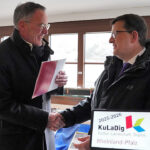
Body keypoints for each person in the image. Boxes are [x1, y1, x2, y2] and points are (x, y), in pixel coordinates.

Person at [50, 14, 150, 150]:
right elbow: (94, 102)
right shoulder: (112, 67)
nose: (110, 40)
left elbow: (144, 126)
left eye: (115, 34)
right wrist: (64, 117)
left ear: (134, 36)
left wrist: (100, 141)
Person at [0, 2, 67, 150]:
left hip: (46, 135)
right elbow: (3, 106)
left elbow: (39, 91)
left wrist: (58, 84)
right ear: (22, 25)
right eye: (41, 26)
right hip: (17, 141)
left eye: (47, 26)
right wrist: (44, 119)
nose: (45, 32)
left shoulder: (43, 50)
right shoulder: (3, 54)